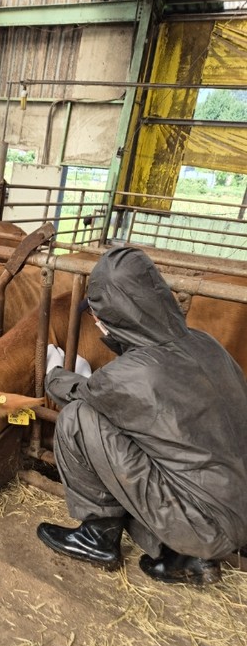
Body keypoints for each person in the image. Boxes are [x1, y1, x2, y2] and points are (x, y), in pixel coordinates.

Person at [37, 245, 247, 586]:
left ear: (113, 316)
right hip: (238, 509)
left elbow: (78, 393)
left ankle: (97, 536)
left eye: (98, 314)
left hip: (203, 523)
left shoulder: (136, 371)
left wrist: (53, 370)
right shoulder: (205, 343)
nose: (96, 322)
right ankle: (189, 560)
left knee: (78, 417)